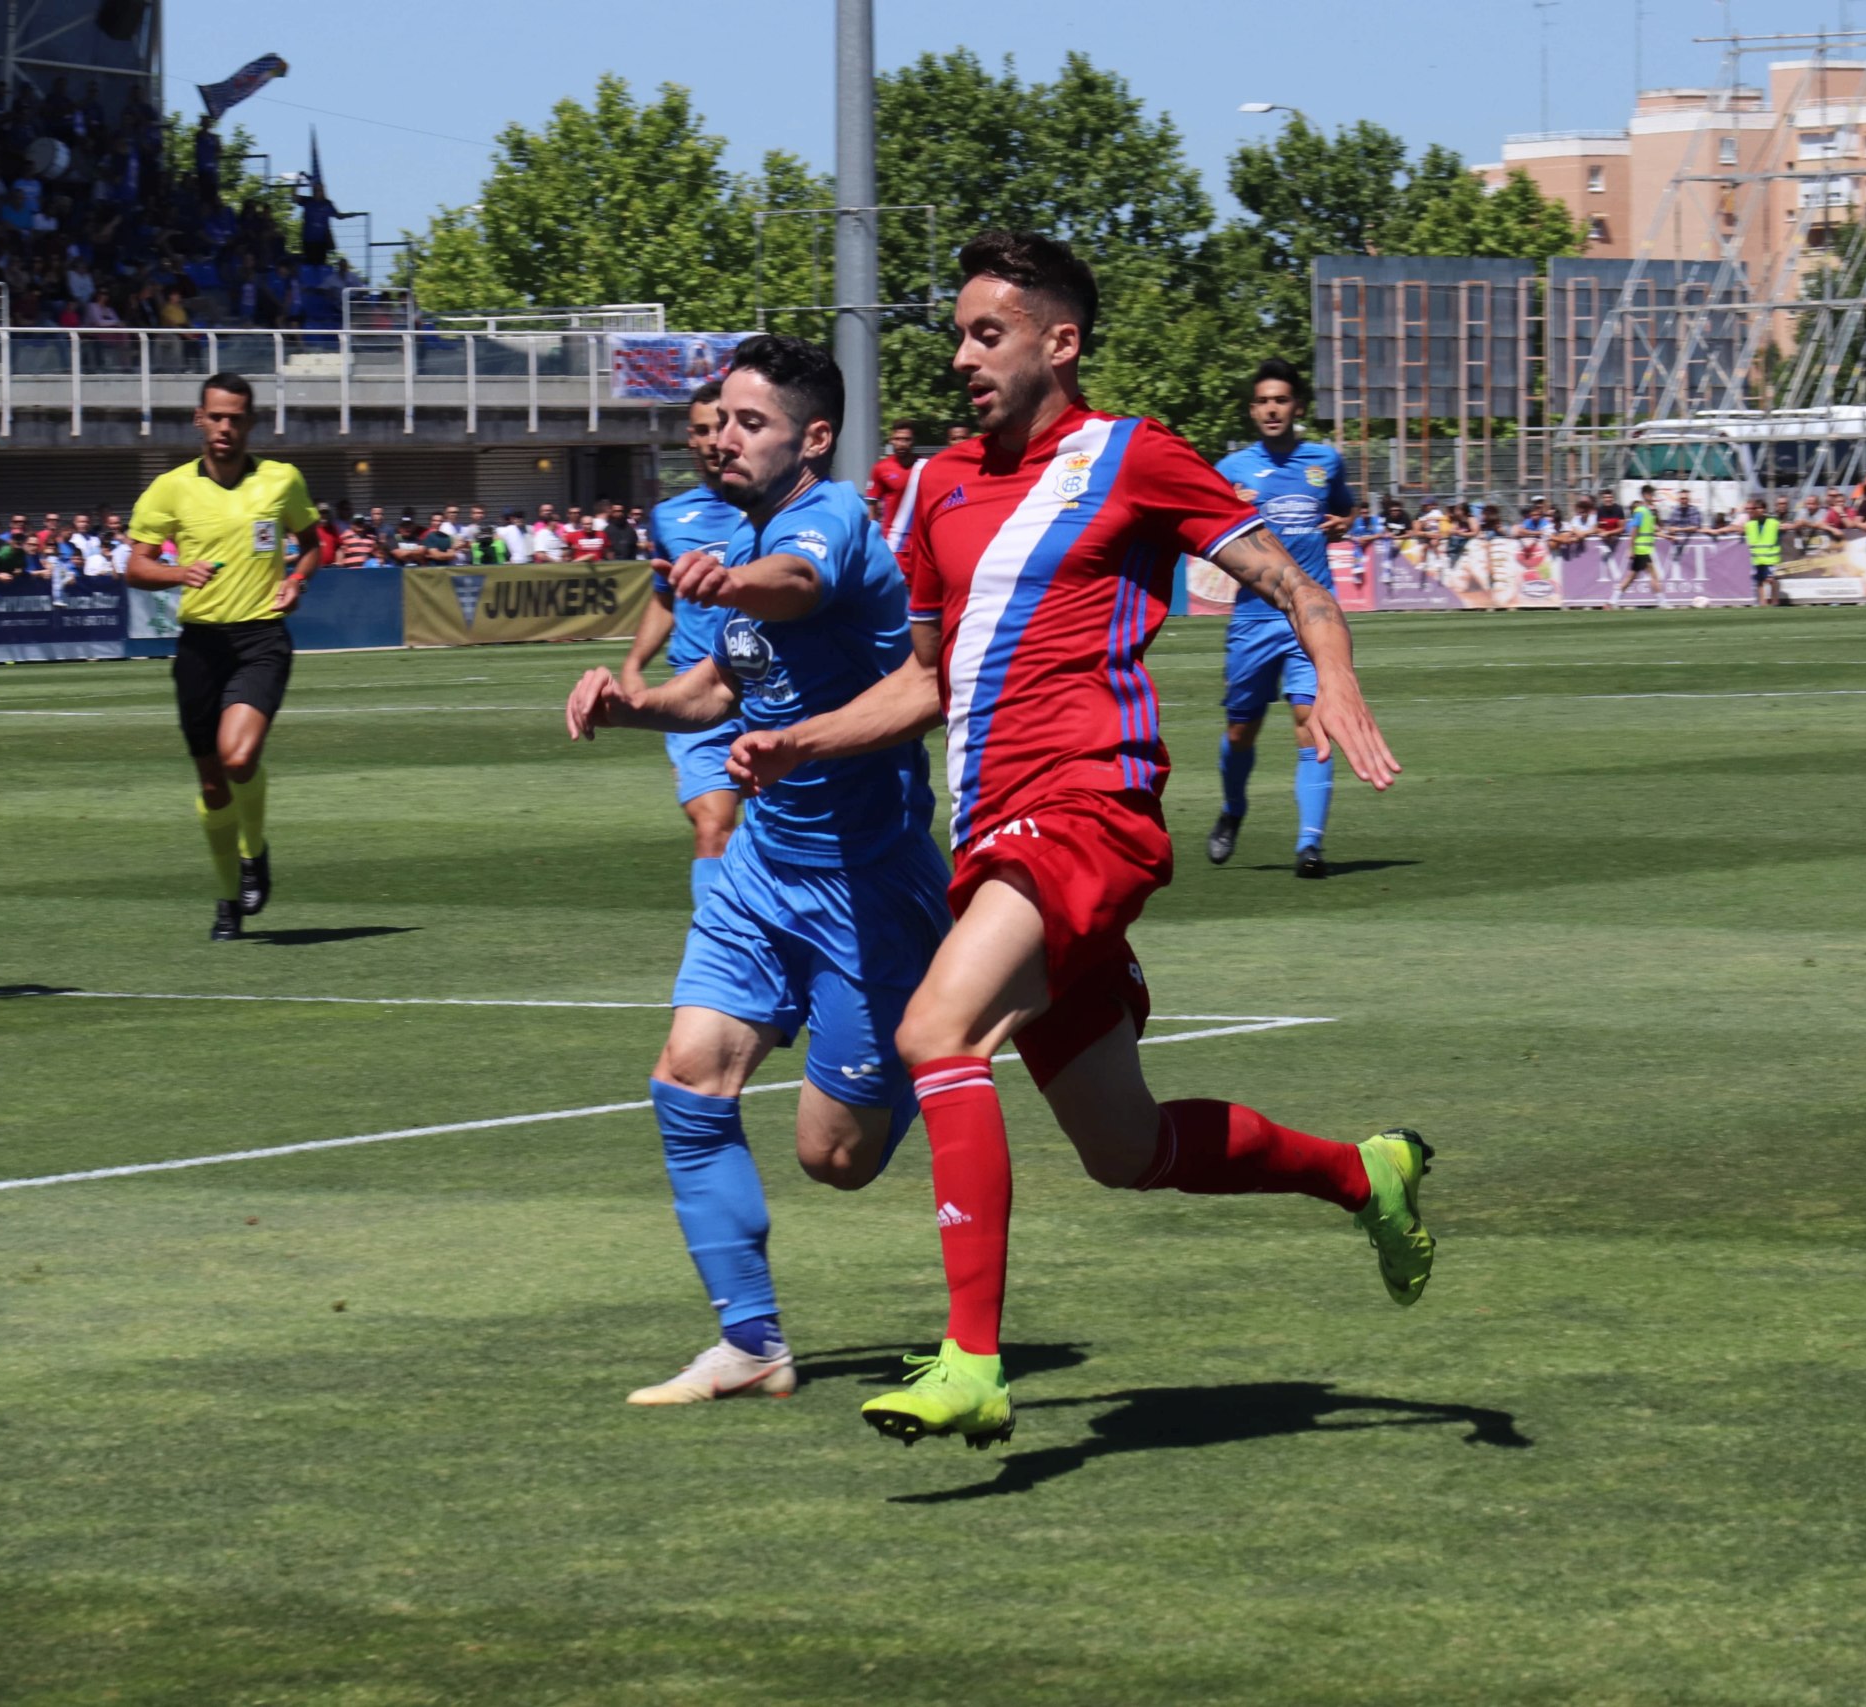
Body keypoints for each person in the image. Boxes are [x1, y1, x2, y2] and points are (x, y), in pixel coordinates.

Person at [726, 231, 1425, 1448]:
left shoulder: (1132, 456)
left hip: (1090, 810)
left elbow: (1298, 585)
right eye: (955, 335)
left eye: (984, 334)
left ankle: (973, 1362)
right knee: (1126, 1147)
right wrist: (811, 740)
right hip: (992, 833)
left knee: (934, 1031)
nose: (960, 358)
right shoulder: (937, 485)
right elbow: (925, 681)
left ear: (1060, 342)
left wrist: (1339, 679)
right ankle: (1365, 1175)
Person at [564, 334, 947, 1406]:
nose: (723, 438)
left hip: (868, 888)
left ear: (813, 438)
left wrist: (733, 579)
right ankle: (750, 1344)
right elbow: (720, 689)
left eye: (750, 422)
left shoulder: (822, 527)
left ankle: (942, 1028)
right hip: (760, 867)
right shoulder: (742, 536)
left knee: (837, 1160)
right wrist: (632, 700)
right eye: (719, 421)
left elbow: (795, 585)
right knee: (688, 1075)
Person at [126, 372, 325, 941]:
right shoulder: (169, 488)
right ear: (199, 419)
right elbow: (135, 568)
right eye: (215, 416)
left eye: (235, 417)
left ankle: (253, 851)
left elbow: (311, 544)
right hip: (199, 646)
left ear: (250, 423)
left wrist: (298, 580)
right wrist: (176, 571)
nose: (224, 427)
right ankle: (225, 900)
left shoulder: (280, 481)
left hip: (260, 638)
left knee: (238, 759)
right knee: (211, 782)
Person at [1206, 359, 1354, 879]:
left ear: (1298, 407)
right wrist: (1231, 511)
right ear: (1253, 410)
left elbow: (1345, 510)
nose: (1272, 408)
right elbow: (1206, 535)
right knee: (1240, 731)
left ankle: (1310, 845)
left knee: (1310, 725)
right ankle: (1233, 810)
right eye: (1264, 400)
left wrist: (1344, 522)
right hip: (1253, 618)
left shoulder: (1325, 462)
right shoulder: (1232, 471)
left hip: (1311, 615)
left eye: (1282, 399)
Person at [619, 379, 744, 892]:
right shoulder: (670, 516)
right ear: (689, 441)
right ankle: (720, 958)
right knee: (713, 826)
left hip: (778, 691)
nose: (714, 439)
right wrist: (633, 665)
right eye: (702, 430)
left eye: (724, 426)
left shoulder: (788, 508)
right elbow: (665, 599)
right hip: (697, 694)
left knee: (779, 835)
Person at [865, 419, 919, 537]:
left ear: (913, 441)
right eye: (897, 439)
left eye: (906, 439)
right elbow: (871, 503)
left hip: (919, 539)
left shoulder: (924, 466)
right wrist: (872, 536)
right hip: (893, 540)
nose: (902, 444)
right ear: (891, 440)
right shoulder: (881, 468)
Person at [1727, 495, 1785, 604]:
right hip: (1757, 558)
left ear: (1764, 509)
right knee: (1759, 581)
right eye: (1756, 508)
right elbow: (1739, 528)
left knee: (1771, 580)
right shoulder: (1751, 524)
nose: (1758, 510)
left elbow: (1784, 527)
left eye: (1760, 508)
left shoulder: (1773, 522)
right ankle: (1762, 603)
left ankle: (1775, 601)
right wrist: (1720, 530)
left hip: (1769, 558)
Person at [1619, 484, 1664, 605]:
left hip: (1644, 549)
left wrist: (1666, 534)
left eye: (1652, 494)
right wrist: (1631, 549)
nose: (1652, 497)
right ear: (1645, 495)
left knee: (1631, 577)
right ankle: (1663, 603)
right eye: (1650, 494)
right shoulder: (1641, 511)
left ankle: (1613, 601)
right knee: (1653, 575)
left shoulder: (1648, 512)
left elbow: (1652, 530)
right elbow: (1634, 530)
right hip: (1640, 549)